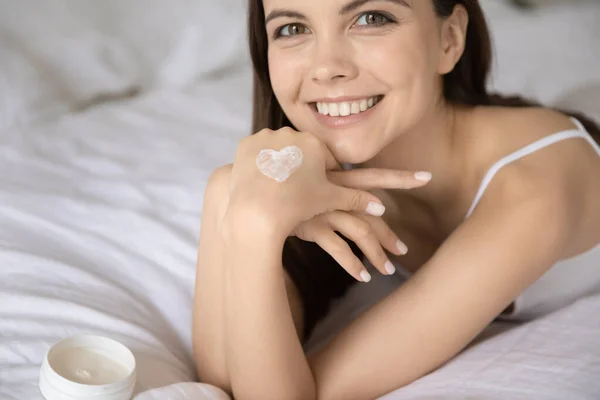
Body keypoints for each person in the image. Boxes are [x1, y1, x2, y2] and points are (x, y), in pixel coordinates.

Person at [192, 0, 600, 398]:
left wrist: (250, 227)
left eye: (370, 18)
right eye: (292, 29)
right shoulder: (330, 162)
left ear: (449, 39)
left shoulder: (531, 194)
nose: (326, 68)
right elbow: (223, 381)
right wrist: (226, 193)